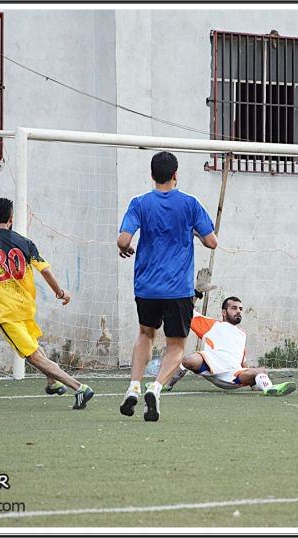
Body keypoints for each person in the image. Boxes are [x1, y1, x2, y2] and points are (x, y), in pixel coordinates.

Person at [0, 198, 94, 409]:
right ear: (11, 219)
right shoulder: (25, 242)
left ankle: (79, 388)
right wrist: (60, 293)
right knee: (34, 348)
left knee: (32, 356)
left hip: (6, 312)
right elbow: (45, 270)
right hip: (25, 306)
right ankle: (52, 382)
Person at [117, 151, 218, 421]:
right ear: (175, 175)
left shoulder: (139, 203)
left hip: (147, 287)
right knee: (176, 345)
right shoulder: (190, 204)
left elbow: (123, 239)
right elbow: (212, 242)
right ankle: (156, 387)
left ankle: (133, 387)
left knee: (145, 334)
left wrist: (126, 247)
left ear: (152, 175)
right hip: (178, 289)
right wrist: (193, 230)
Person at [165, 295, 296, 396]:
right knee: (189, 359)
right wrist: (197, 293)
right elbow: (186, 311)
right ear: (224, 312)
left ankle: (269, 388)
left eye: (240, 309)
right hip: (211, 367)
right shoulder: (212, 325)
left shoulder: (242, 334)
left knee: (261, 371)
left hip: (234, 376)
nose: (238, 311)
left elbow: (243, 360)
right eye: (234, 308)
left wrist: (252, 378)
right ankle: (167, 384)